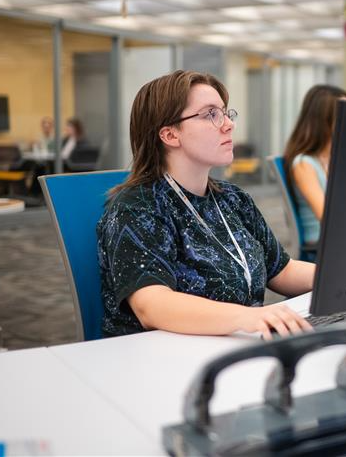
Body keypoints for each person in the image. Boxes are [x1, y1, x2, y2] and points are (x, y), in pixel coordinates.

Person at [97, 70, 314, 339]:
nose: (228, 125)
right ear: (170, 135)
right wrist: (247, 317)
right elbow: (151, 305)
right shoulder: (138, 207)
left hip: (232, 346)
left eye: (225, 113)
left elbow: (282, 269)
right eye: (211, 114)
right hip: (161, 361)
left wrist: (339, 277)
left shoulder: (232, 199)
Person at [282, 85, 346, 248]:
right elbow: (327, 218)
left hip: (342, 238)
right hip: (322, 243)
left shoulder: (335, 158)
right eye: (345, 114)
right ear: (323, 120)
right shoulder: (304, 164)